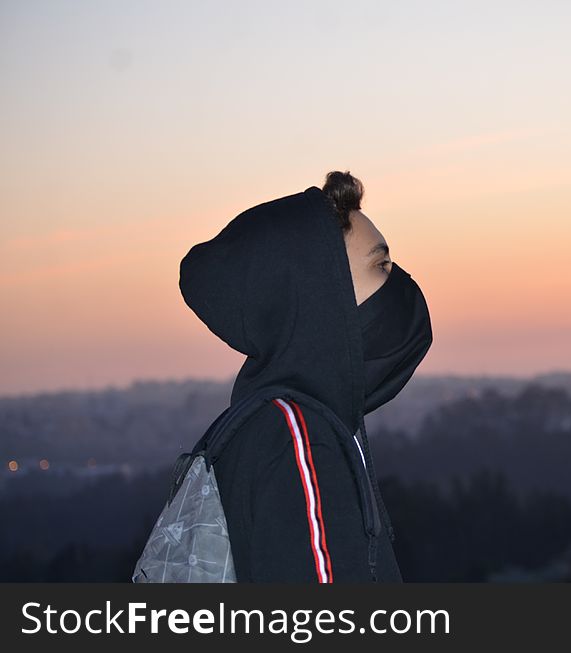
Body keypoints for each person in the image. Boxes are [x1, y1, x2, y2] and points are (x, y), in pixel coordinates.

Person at [177, 171, 433, 582]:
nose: (399, 281)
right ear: (322, 295)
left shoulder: (283, 422)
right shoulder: (296, 437)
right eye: (380, 264)